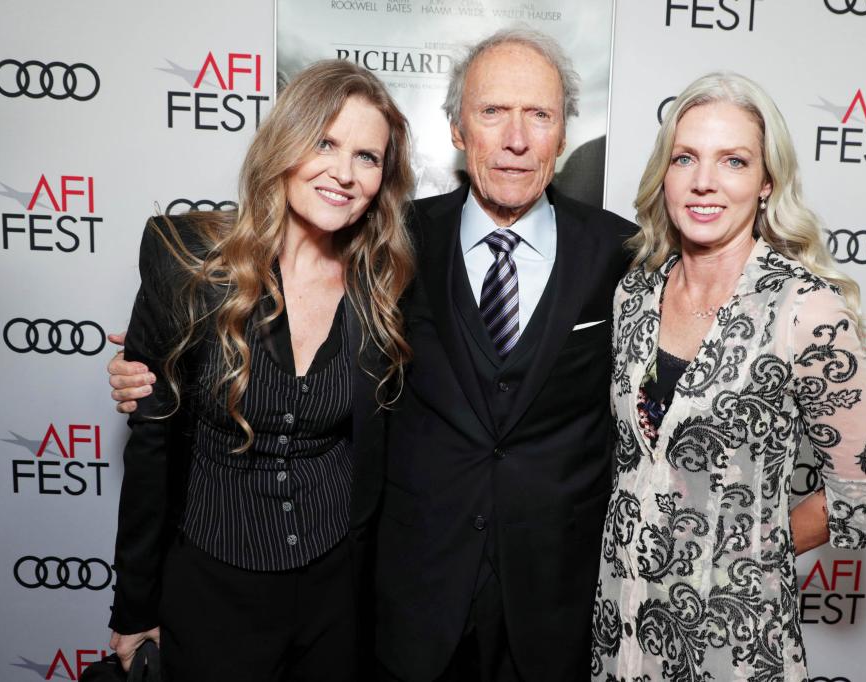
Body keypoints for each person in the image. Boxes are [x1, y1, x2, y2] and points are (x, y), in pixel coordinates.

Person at [112, 28, 635, 681]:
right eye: (493, 111)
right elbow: (175, 414)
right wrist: (153, 373)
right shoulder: (400, 245)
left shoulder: (621, 253)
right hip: (404, 597)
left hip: (540, 596)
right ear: (457, 130)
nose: (516, 137)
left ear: (563, 134)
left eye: (540, 115)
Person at [107, 60, 414, 682]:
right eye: (324, 143)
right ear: (285, 143)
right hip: (212, 587)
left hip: (336, 597)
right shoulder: (186, 259)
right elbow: (150, 447)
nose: (344, 174)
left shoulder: (385, 285)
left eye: (367, 157)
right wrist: (134, 605)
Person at [590, 73, 866, 681]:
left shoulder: (808, 310)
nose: (705, 181)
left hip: (736, 641)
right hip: (620, 624)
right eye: (685, 158)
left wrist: (741, 557)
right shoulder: (635, 294)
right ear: (664, 175)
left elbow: (857, 504)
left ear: (766, 181)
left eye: (733, 160)